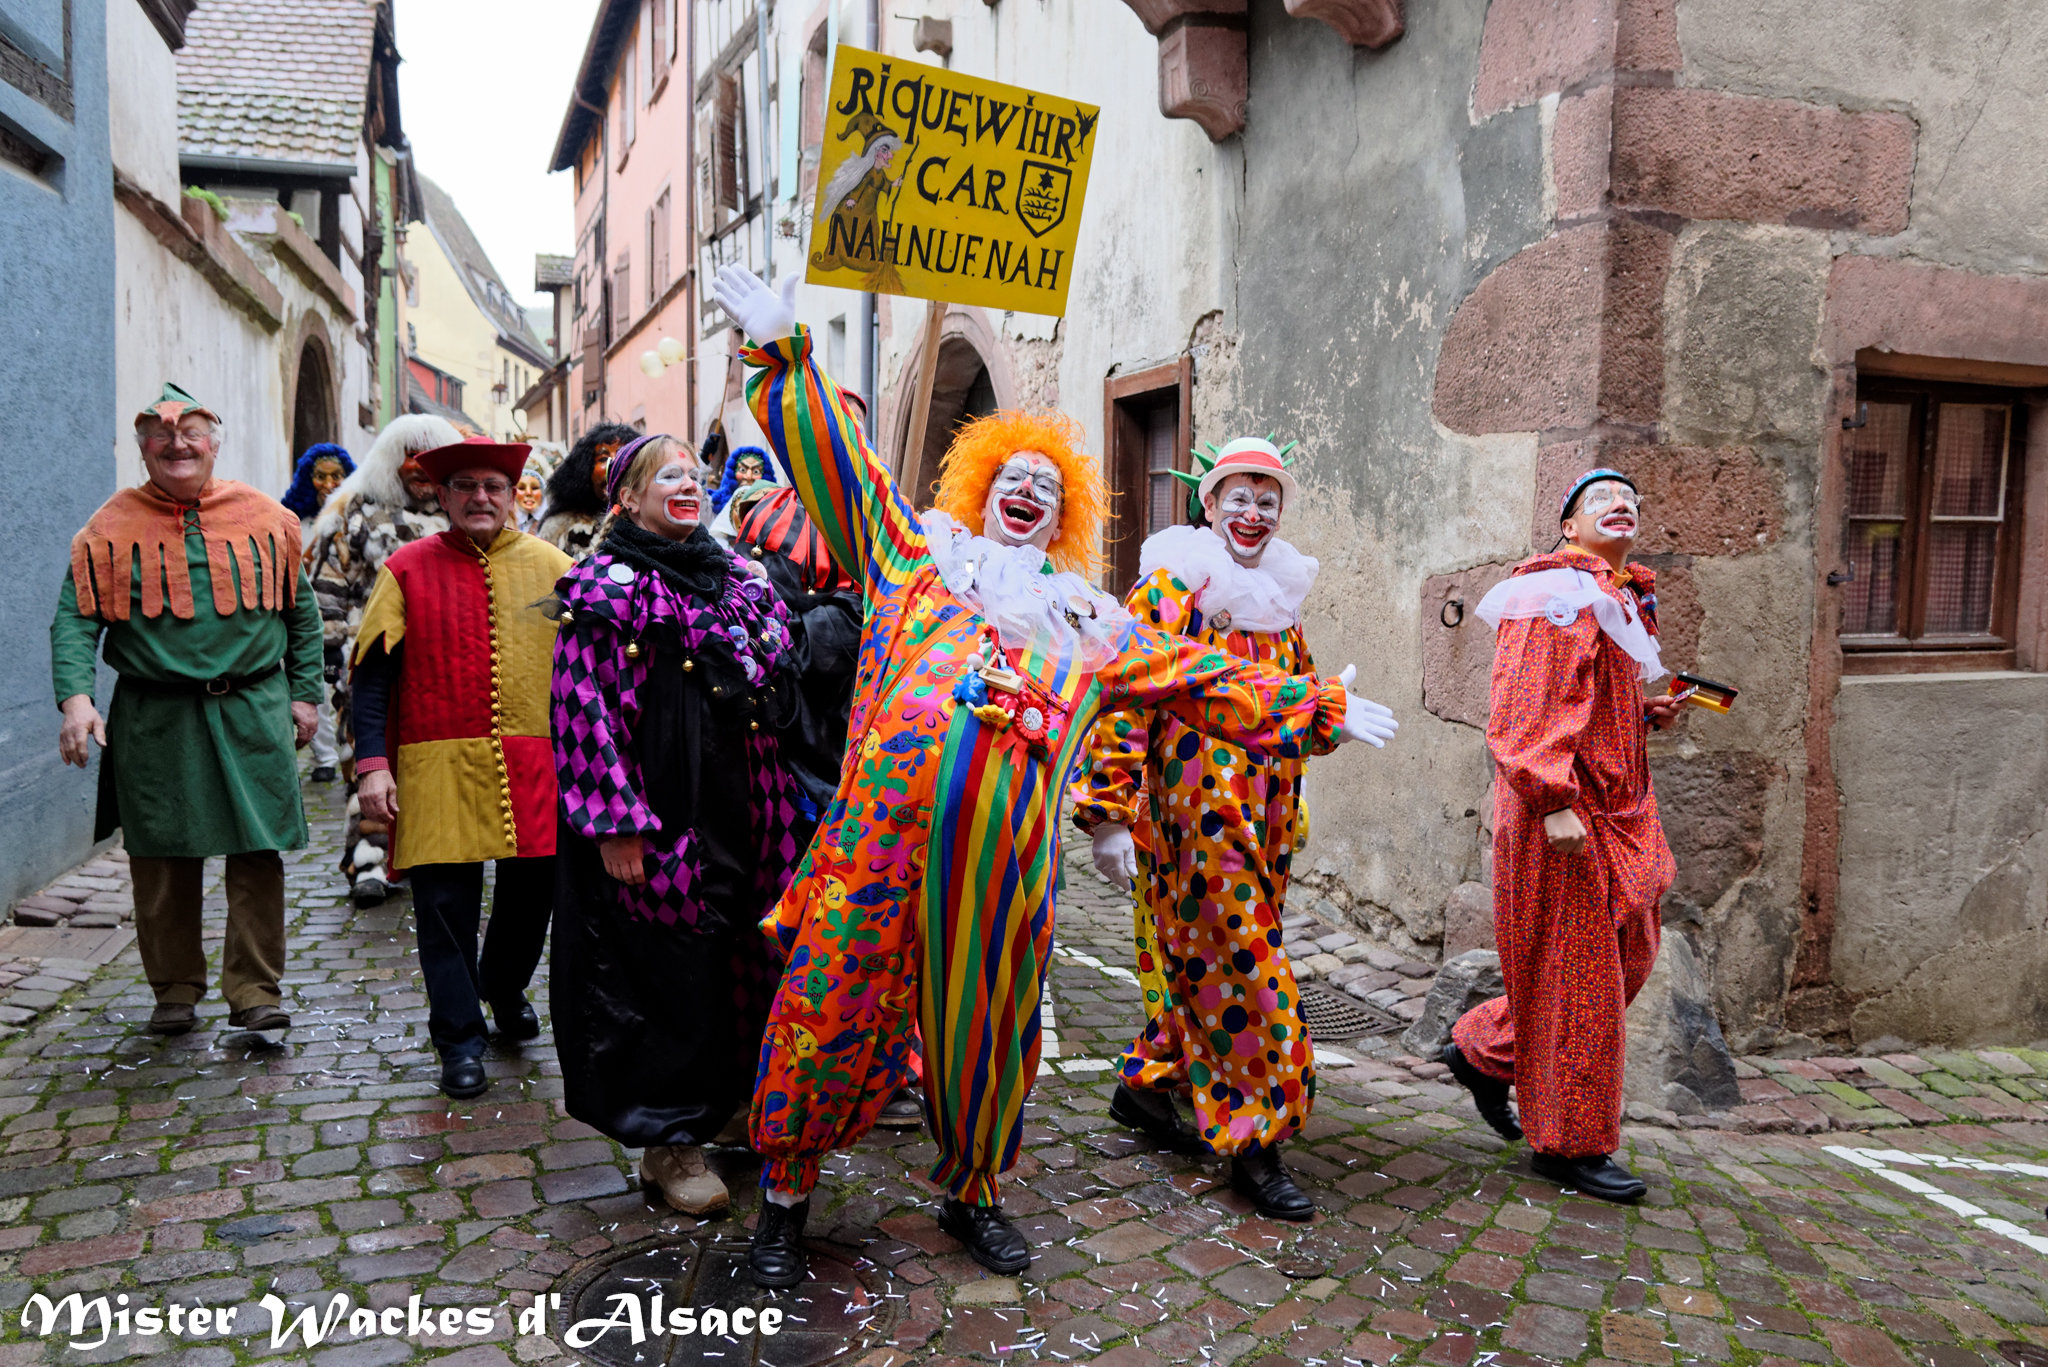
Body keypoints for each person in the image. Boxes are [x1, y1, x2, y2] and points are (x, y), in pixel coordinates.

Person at [713, 264, 1398, 1287]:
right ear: (977, 491)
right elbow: (844, 472)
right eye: (1009, 478)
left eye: (1045, 484)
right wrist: (787, 357)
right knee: (826, 1009)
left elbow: (1199, 677)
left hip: (1000, 863)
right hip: (875, 851)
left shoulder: (1089, 621)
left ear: (1062, 510)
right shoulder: (914, 558)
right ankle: (783, 1198)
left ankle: (972, 1191)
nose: (1025, 490)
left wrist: (1316, 708)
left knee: (986, 1031)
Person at [1072, 436, 1335, 1220]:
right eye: (1238, 497)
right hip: (1194, 822)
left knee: (1208, 966)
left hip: (1266, 819)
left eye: (1267, 499)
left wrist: (1326, 712)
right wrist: (1108, 814)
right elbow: (1123, 694)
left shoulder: (1277, 600)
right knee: (1248, 975)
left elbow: (1291, 702)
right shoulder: (1173, 587)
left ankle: (1148, 1090)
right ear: (1209, 503)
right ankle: (1257, 1142)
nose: (1252, 513)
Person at [550, 435, 814, 1214]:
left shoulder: (736, 578)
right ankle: (669, 1140)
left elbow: (779, 671)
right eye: (668, 474)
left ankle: (730, 1101)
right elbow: (581, 711)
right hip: (660, 802)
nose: (688, 484)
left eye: (695, 474)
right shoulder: (605, 588)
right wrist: (614, 821)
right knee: (665, 964)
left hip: (748, 797)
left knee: (741, 947)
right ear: (627, 499)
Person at [1444, 469, 1686, 1203]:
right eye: (1603, 500)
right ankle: (1570, 1144)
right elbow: (1523, 708)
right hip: (1566, 813)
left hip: (1621, 811)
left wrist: (1644, 716)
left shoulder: (1613, 596)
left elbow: (1585, 698)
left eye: (1633, 501)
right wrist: (1552, 800)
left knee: (1628, 957)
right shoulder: (1555, 591)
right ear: (1568, 524)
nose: (1623, 506)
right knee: (1583, 981)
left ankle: (1485, 1047)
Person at [52, 383, 322, 1036]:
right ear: (143, 447)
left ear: (214, 442)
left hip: (253, 708)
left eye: (192, 431)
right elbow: (74, 619)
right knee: (162, 860)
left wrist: (305, 693)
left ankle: (255, 991)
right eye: (161, 434)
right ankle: (174, 988)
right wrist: (78, 700)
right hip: (156, 716)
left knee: (258, 852)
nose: (178, 443)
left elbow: (302, 614)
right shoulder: (108, 527)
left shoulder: (264, 517)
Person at [351, 435, 570, 1098]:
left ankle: (502, 985)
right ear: (443, 497)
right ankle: (458, 1037)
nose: (481, 497)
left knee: (531, 900)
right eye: (466, 486)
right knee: (443, 908)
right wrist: (371, 763)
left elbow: (588, 670)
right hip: (435, 761)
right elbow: (372, 675)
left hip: (535, 760)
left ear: (511, 497)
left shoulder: (556, 567)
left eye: (493, 487)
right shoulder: (406, 568)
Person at [309, 415, 461, 904]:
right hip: (371, 666)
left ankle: (430, 852)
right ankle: (371, 861)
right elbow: (328, 592)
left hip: (448, 669)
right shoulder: (353, 512)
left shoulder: (468, 512)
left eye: (429, 455)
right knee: (371, 765)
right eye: (409, 454)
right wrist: (335, 666)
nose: (418, 466)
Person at [282, 444, 355, 782]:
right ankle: (324, 756)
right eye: (320, 476)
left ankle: (350, 752)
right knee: (312, 688)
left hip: (344, 616)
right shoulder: (292, 520)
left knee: (344, 687)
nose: (328, 483)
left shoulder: (354, 520)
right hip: (301, 614)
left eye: (336, 476)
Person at [541, 423, 637, 559]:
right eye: (603, 458)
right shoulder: (559, 529)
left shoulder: (655, 523)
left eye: (625, 457)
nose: (615, 465)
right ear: (585, 469)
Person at [514, 445, 561, 534]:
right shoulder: (504, 522)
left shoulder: (555, 522)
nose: (528, 493)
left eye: (534, 488)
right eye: (521, 488)